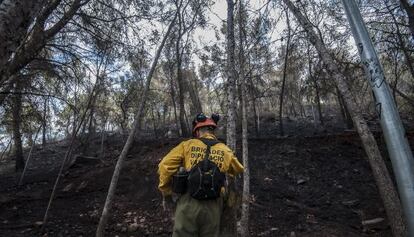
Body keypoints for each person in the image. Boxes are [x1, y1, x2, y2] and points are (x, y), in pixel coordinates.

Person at [158, 113, 244, 237]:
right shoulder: (225, 150)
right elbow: (238, 169)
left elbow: (164, 166)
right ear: (213, 132)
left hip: (188, 203)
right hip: (213, 206)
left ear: (197, 131)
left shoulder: (187, 145)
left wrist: (166, 192)